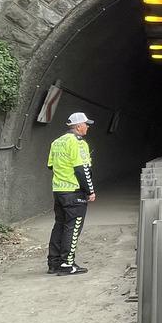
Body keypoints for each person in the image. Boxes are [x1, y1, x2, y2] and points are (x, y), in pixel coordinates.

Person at [46, 112, 96, 275]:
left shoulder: (57, 142)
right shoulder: (78, 143)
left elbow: (51, 166)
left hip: (59, 191)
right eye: (86, 124)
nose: (87, 127)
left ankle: (53, 263)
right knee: (73, 227)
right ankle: (68, 264)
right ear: (78, 126)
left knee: (59, 225)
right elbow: (82, 170)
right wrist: (90, 191)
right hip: (74, 192)